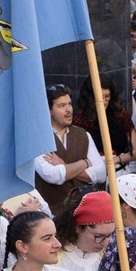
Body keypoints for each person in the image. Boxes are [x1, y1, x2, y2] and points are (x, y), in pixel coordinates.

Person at [34, 84, 107, 215]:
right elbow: (53, 175)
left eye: (69, 104)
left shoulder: (83, 134)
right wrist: (86, 163)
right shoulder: (37, 138)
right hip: (51, 214)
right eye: (62, 106)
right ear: (49, 110)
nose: (69, 110)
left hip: (83, 211)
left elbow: (101, 173)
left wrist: (65, 166)